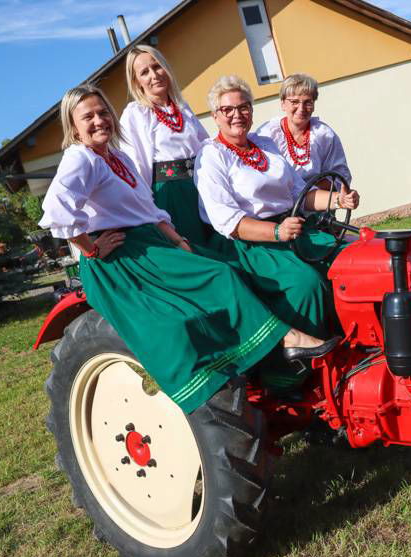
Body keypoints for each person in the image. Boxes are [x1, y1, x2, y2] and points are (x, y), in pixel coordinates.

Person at [39, 84, 338, 412]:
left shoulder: (117, 158)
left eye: (103, 112)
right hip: (122, 257)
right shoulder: (80, 158)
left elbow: (149, 211)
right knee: (219, 277)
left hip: (150, 241)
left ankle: (265, 363)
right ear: (74, 126)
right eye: (88, 116)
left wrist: (179, 241)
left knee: (228, 269)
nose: (99, 120)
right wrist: (91, 249)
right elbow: (56, 210)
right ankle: (286, 339)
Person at [194, 76, 359, 388]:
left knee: (352, 258)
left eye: (244, 107)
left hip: (293, 228)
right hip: (249, 242)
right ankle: (289, 378)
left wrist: (338, 199)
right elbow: (228, 220)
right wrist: (277, 231)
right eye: (228, 109)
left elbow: (300, 195)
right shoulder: (212, 155)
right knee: (305, 284)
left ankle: (357, 347)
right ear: (215, 115)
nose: (237, 115)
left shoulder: (266, 145)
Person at [120, 45, 210, 245]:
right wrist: (147, 207)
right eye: (144, 72)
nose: (154, 75)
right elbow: (136, 165)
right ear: (136, 81)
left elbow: (205, 145)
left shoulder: (182, 107)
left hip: (200, 186)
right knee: (193, 248)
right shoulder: (136, 113)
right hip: (170, 192)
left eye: (157, 66)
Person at [256, 73, 351, 189]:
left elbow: (341, 175)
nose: (301, 109)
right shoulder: (267, 134)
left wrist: (307, 192)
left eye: (308, 102)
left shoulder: (324, 135)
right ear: (283, 104)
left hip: (318, 197)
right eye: (294, 102)